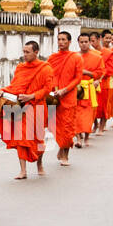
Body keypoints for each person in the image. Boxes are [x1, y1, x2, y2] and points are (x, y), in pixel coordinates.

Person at [0, 41, 53, 179]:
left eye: (28, 52)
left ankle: (40, 164)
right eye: (24, 52)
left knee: (38, 139)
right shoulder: (21, 68)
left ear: (36, 52)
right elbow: (15, 85)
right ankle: (23, 170)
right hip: (22, 107)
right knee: (20, 137)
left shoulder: (45, 68)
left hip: (38, 106)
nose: (25, 55)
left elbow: (47, 89)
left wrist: (31, 96)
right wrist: (3, 91)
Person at [46, 31, 83, 166]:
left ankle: (65, 155)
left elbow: (78, 78)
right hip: (54, 97)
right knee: (56, 126)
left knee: (67, 128)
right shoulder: (52, 58)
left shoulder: (76, 57)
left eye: (63, 39)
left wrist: (65, 90)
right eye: (59, 39)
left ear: (69, 42)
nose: (61, 42)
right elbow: (48, 75)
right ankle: (62, 147)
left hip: (68, 96)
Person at [76, 32, 103, 147]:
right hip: (76, 89)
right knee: (76, 115)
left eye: (86, 42)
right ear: (78, 43)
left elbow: (100, 73)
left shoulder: (97, 57)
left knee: (88, 115)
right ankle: (78, 138)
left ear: (89, 43)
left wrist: (86, 72)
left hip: (89, 88)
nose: (84, 44)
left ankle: (86, 137)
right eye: (81, 42)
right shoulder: (74, 57)